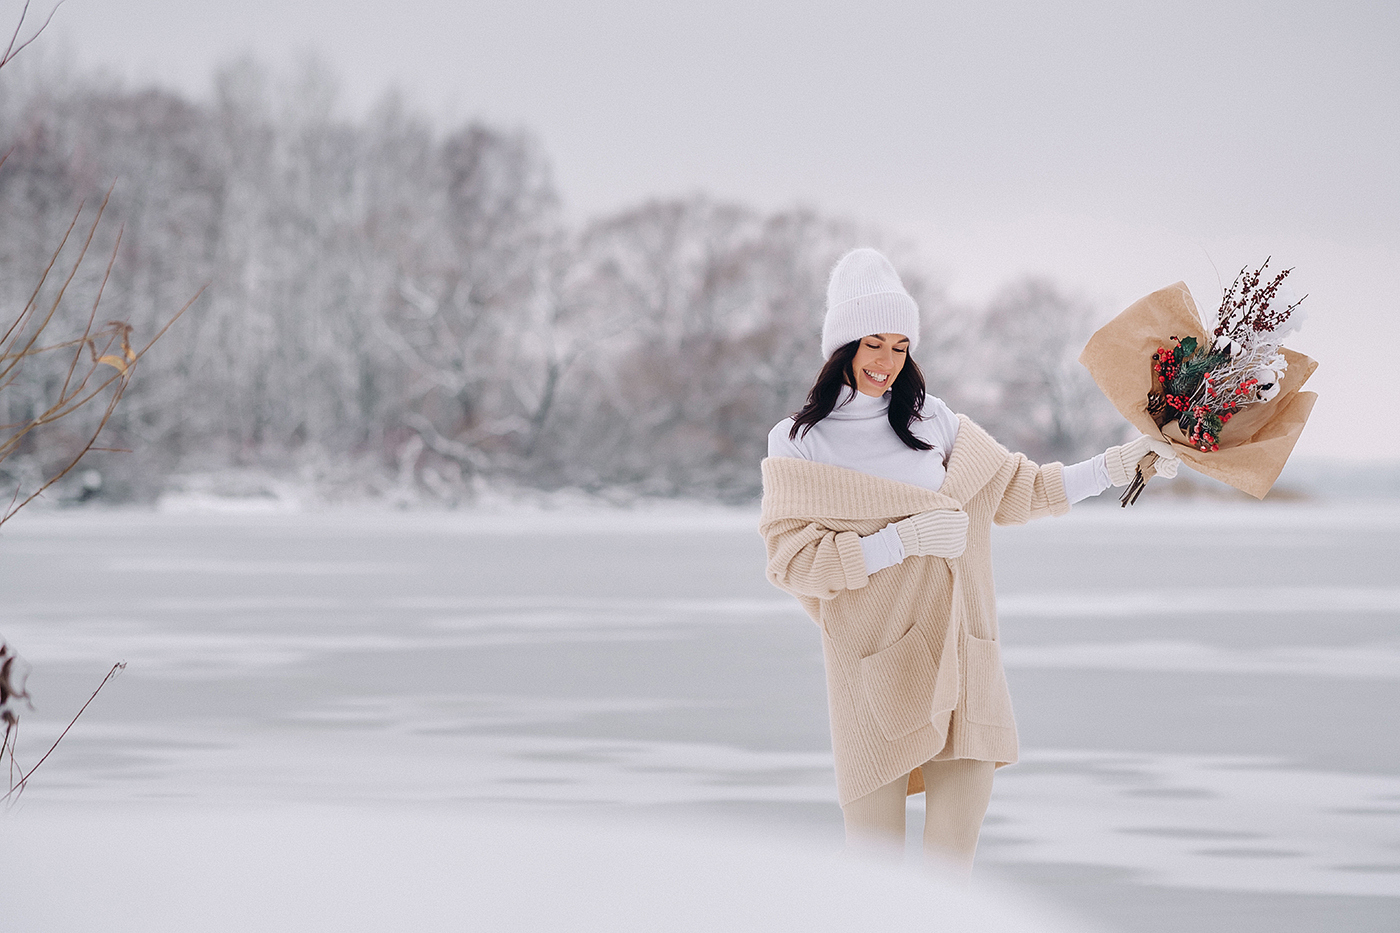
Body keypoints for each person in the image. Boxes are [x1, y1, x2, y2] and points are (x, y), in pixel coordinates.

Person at [759, 248, 1177, 875]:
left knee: (952, 869)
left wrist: (1120, 465)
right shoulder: (800, 441)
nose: (886, 361)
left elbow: (1024, 488)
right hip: (875, 666)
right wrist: (902, 541)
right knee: (873, 869)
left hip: (962, 657)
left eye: (900, 346)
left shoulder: (937, 422)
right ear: (841, 346)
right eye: (873, 343)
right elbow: (795, 563)